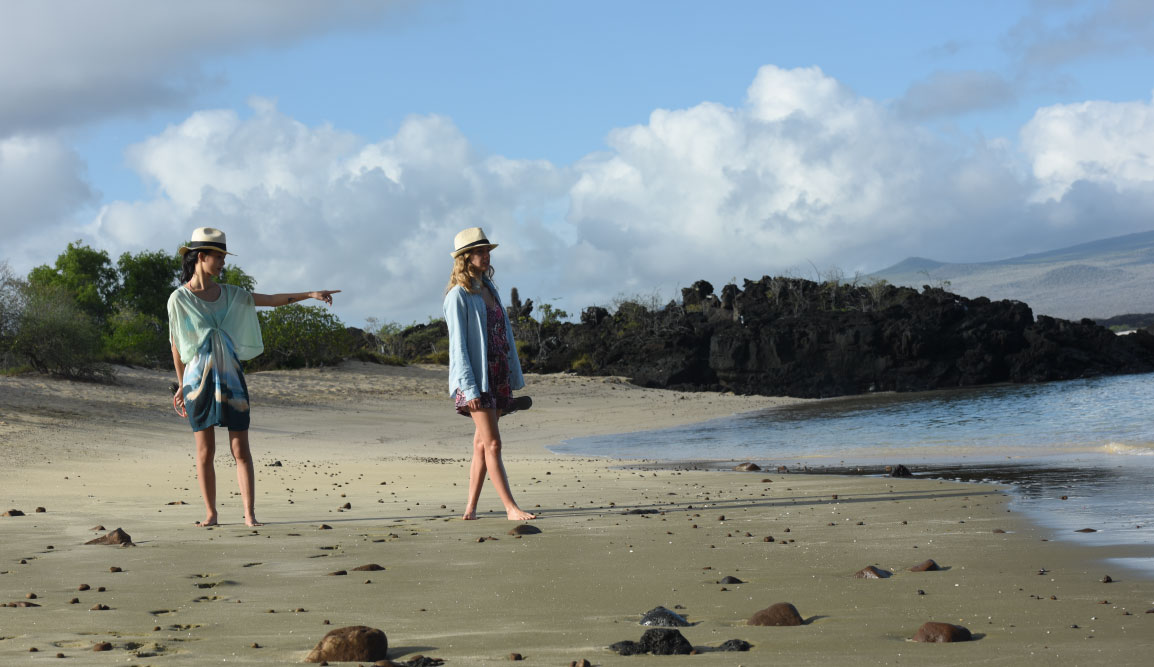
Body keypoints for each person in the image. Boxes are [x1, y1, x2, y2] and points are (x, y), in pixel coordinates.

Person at [168, 227, 339, 527]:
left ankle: (250, 514)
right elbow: (176, 344)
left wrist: (310, 294)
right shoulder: (179, 299)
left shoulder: (232, 294)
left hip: (232, 378)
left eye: (223, 256)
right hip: (199, 383)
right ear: (200, 257)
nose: (222, 262)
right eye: (218, 257)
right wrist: (182, 385)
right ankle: (211, 514)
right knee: (205, 451)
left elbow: (271, 300)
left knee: (240, 449)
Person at [443, 227, 536, 521]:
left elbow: (502, 335)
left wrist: (512, 374)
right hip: (476, 380)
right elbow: (458, 348)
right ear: (465, 257)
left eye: (487, 251)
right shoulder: (457, 296)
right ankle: (510, 508)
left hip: (497, 373)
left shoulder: (490, 289)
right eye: (480, 252)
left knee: (482, 443)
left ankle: (470, 509)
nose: (486, 256)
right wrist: (469, 389)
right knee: (493, 443)